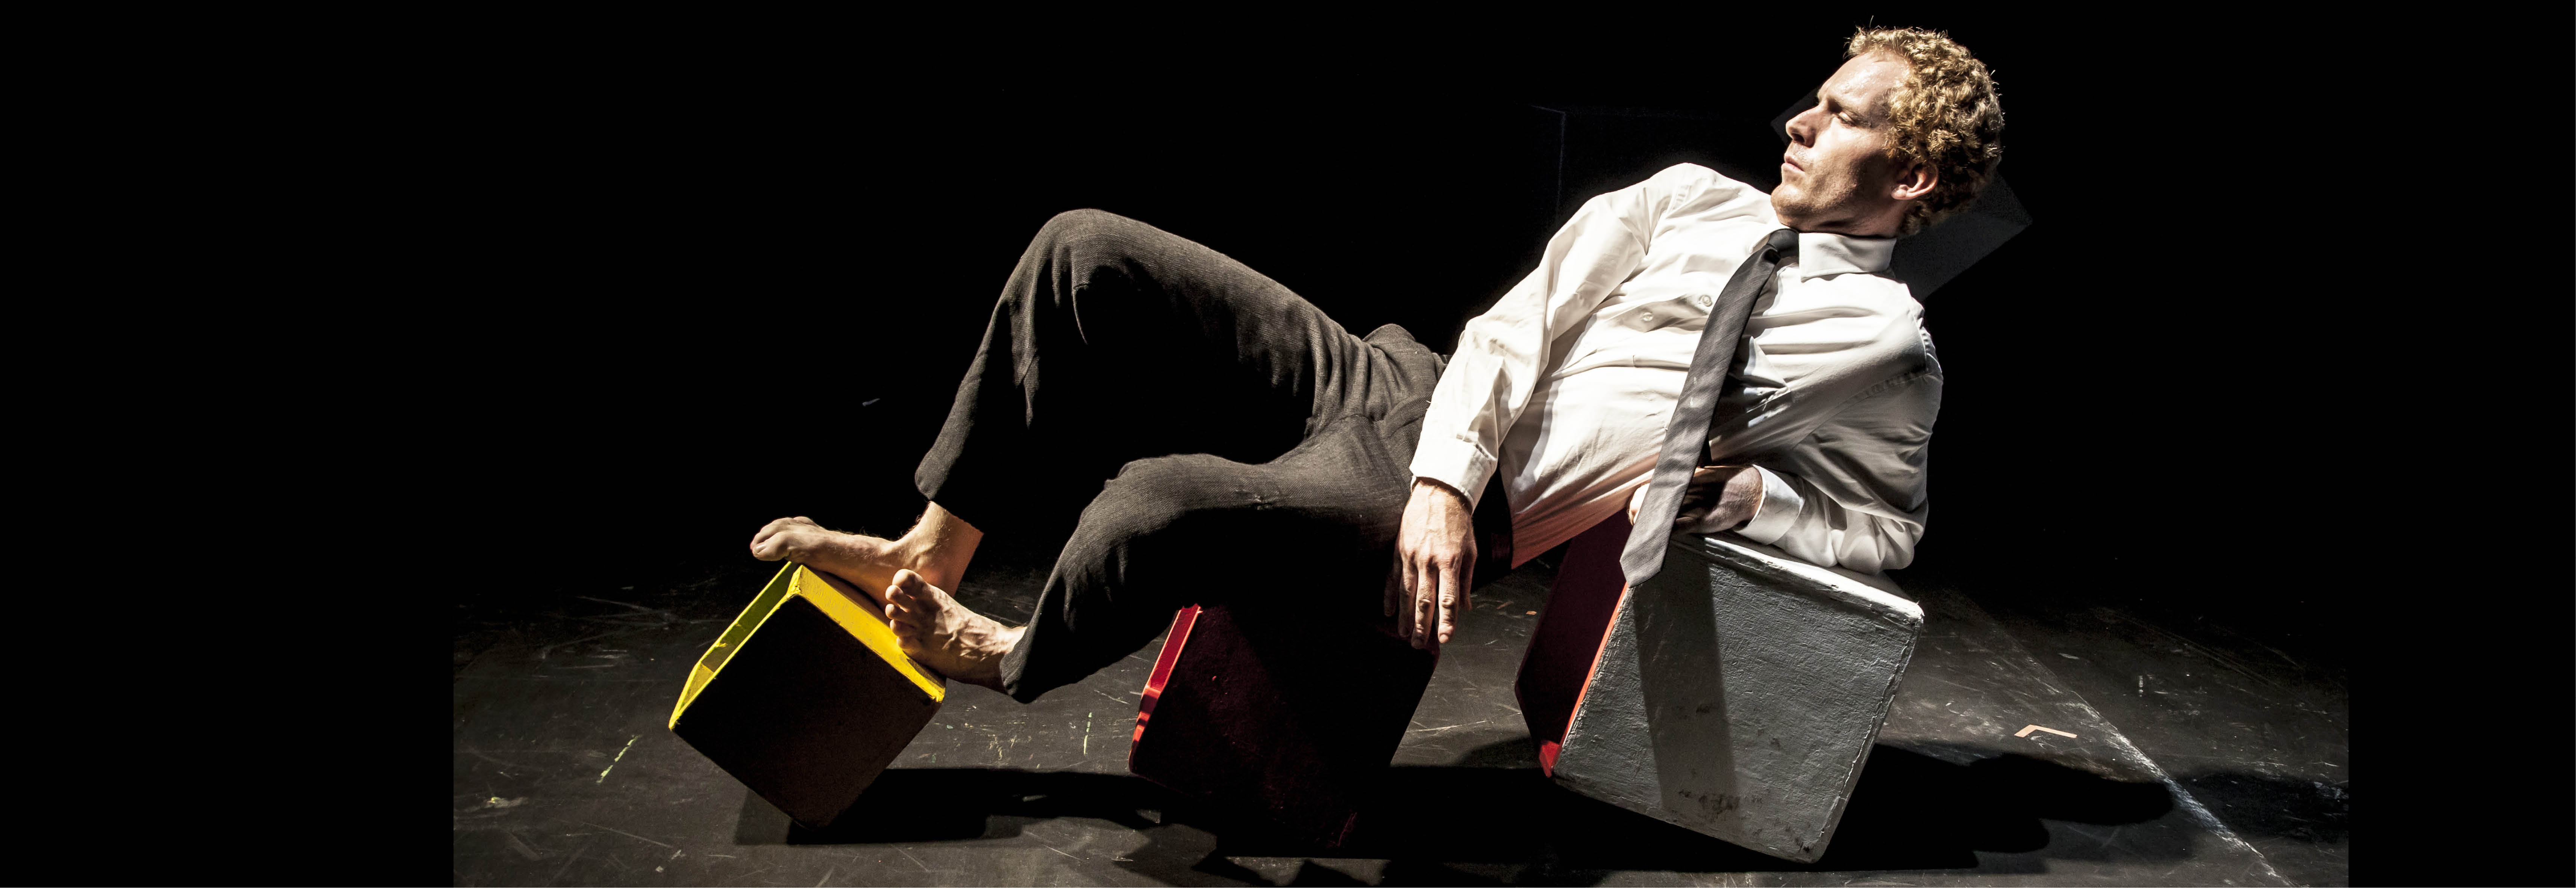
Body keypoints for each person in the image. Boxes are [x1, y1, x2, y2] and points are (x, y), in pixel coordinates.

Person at [749, 26, 2004, 702]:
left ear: (1911, 175)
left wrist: (1754, 499)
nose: (1797, 122)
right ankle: (933, 546)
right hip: (1413, 392)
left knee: (1150, 502)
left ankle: (1004, 653)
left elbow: (1884, 528)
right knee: (1085, 250)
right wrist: (1443, 478)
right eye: (1813, 99)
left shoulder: (1884, 347)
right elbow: (1521, 320)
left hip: (1488, 498)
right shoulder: (1690, 196)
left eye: (1840, 116)